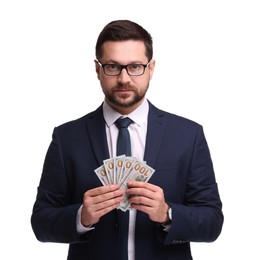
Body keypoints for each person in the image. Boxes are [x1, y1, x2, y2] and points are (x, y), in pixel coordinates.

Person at [31, 20, 223, 260]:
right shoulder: (67, 137)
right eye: (112, 66)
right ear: (98, 69)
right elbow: (41, 222)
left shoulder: (188, 135)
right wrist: (81, 217)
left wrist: (167, 213)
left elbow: (212, 222)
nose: (123, 78)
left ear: (151, 68)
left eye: (135, 67)